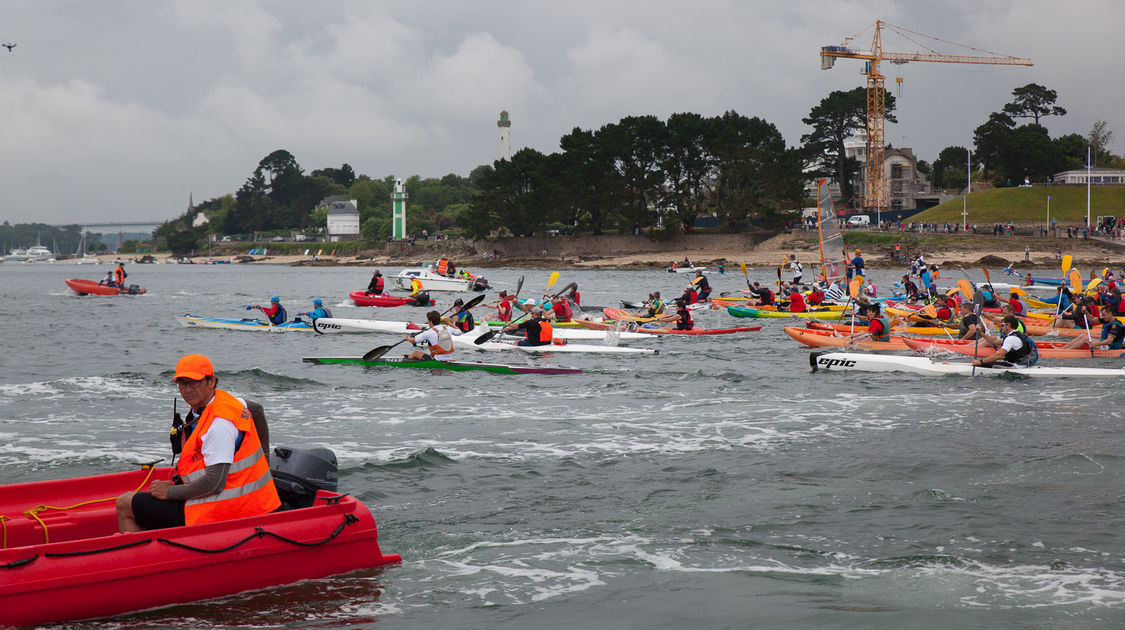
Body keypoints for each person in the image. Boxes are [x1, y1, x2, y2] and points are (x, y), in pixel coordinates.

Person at [115, 354, 280, 532]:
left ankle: (141, 557)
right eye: (182, 383)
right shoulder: (227, 402)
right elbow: (256, 409)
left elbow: (214, 484)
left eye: (194, 382)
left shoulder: (219, 426)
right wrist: (266, 462)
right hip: (250, 501)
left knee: (125, 503)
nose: (187, 390)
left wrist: (170, 493)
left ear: (211, 382)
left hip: (225, 509)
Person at [971, 316, 1038, 368]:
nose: (1001, 327)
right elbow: (995, 340)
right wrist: (981, 333)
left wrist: (980, 362)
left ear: (1008, 325)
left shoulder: (1011, 338)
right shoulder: (1017, 335)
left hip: (1016, 366)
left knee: (981, 364)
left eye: (1002, 325)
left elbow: (999, 355)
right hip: (1022, 364)